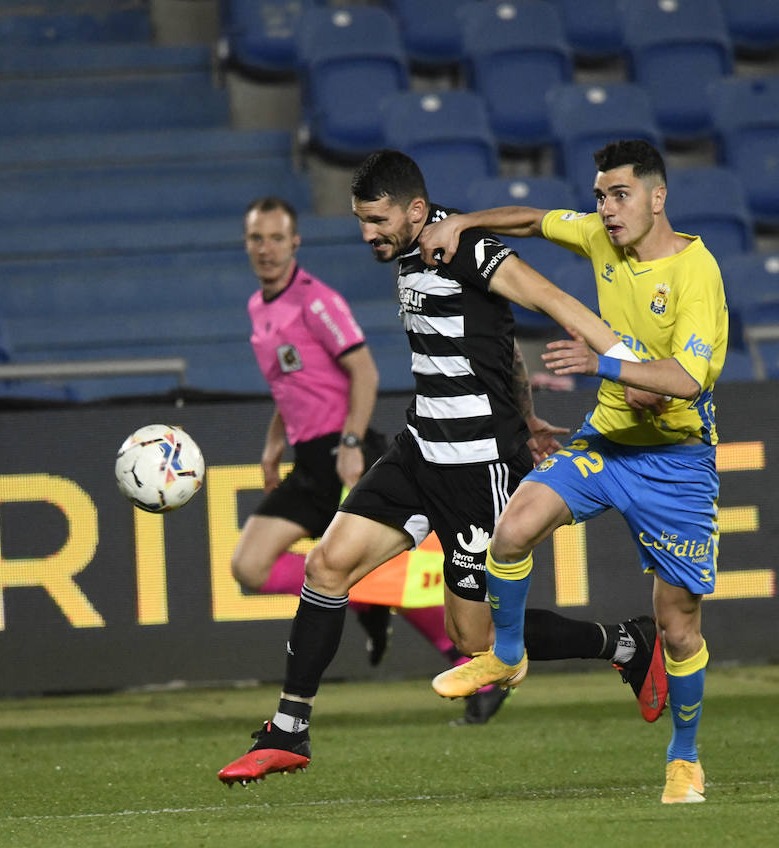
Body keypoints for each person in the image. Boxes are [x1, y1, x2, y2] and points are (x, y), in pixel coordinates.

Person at [217, 151, 667, 786]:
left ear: (417, 212)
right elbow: (498, 343)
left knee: (477, 642)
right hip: (419, 451)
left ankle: (627, 643)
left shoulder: (464, 246)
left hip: (478, 469)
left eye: (377, 220)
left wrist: (631, 366)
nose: (367, 234)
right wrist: (531, 414)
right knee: (327, 565)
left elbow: (553, 300)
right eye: (360, 221)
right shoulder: (411, 252)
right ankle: (289, 728)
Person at [420, 139, 728, 804]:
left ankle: (684, 757)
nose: (606, 210)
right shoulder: (599, 238)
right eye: (600, 197)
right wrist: (463, 221)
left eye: (619, 195)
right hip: (609, 443)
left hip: (674, 464)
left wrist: (601, 363)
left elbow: (686, 380)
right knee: (511, 531)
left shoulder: (696, 273)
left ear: (657, 197)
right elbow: (532, 220)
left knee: (678, 628)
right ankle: (506, 654)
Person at [232, 196, 508, 726]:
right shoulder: (258, 307)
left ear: (295, 242)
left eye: (275, 238)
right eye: (255, 239)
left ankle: (475, 667)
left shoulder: (317, 302)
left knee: (394, 578)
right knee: (249, 566)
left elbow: (364, 373)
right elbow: (290, 386)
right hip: (308, 462)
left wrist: (354, 444)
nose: (265, 249)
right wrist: (273, 443)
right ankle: (362, 603)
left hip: (345, 451)